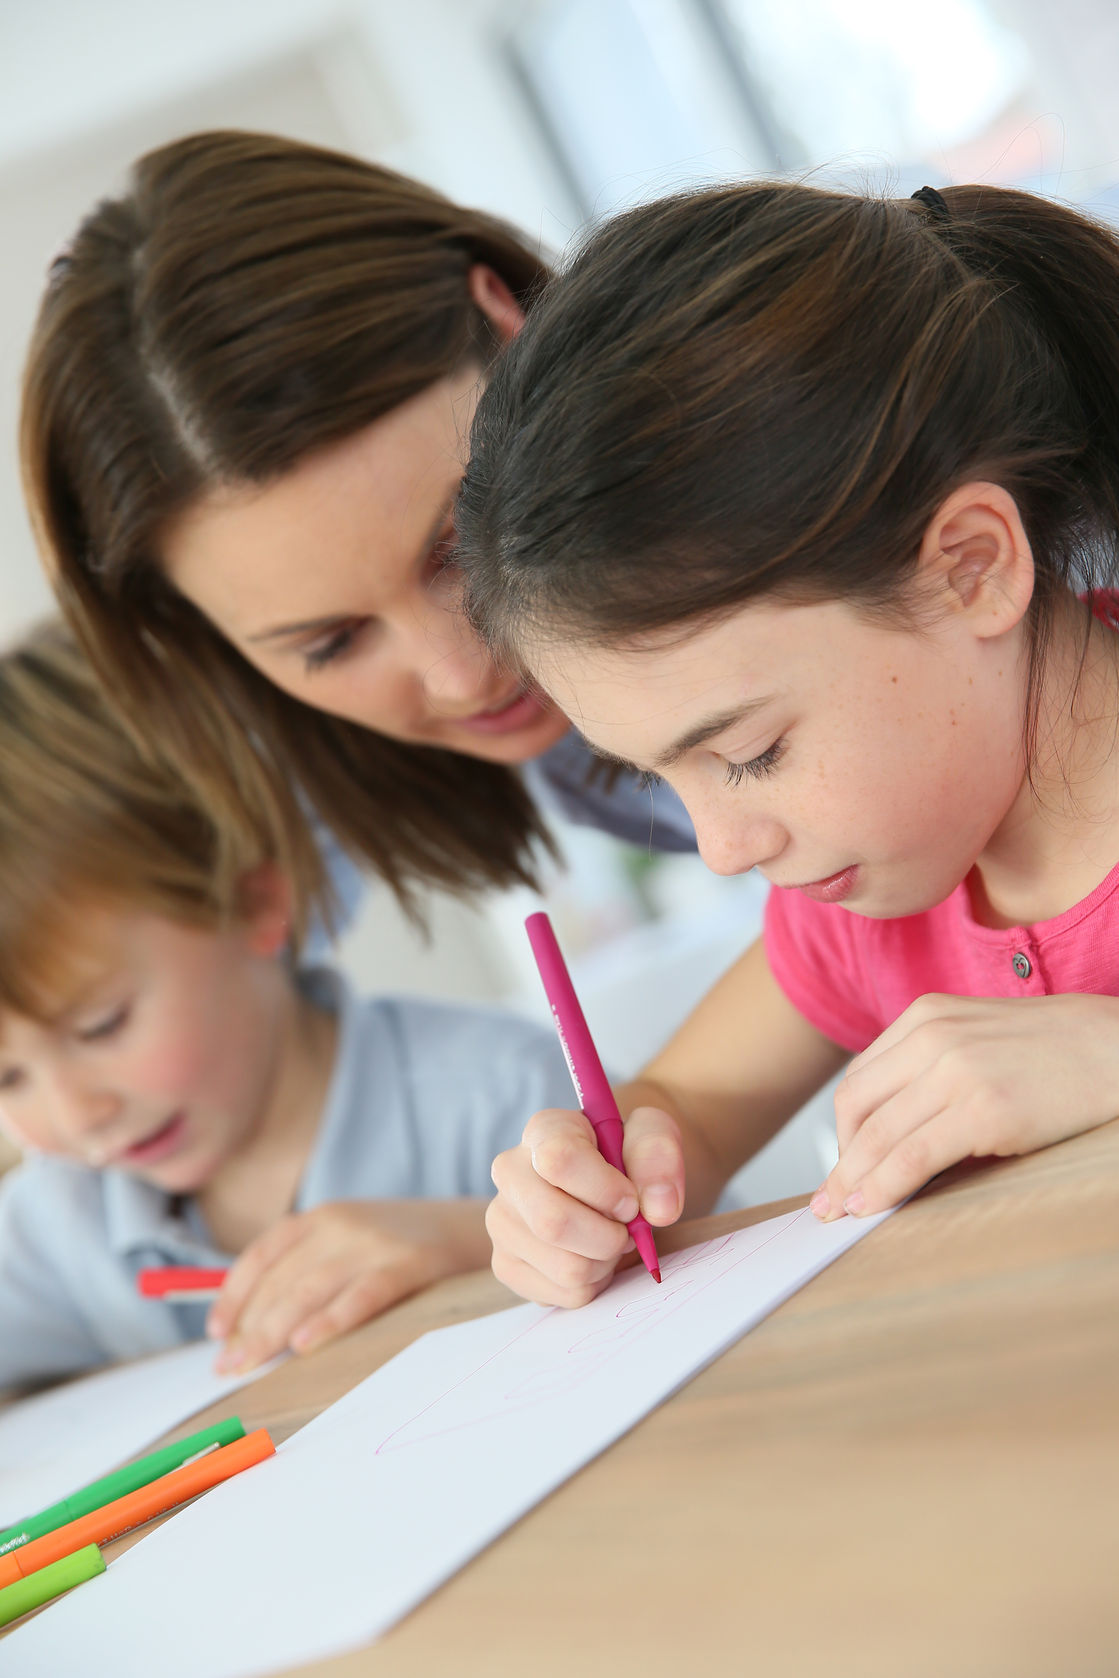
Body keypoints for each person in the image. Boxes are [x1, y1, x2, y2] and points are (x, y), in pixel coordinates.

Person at [454, 179, 1119, 1306]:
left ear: (972, 567)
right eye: (654, 773)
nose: (719, 846)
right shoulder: (864, 902)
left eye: (750, 753)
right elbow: (692, 1108)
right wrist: (596, 1179)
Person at [20, 128, 693, 939]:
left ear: (508, 321)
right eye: (332, 644)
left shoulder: (814, 500)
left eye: (462, 545)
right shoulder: (306, 739)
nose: (463, 676)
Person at [0, 622, 574, 1389]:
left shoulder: (508, 1098)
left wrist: (480, 1242)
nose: (76, 1114)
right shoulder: (64, 1217)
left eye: (101, 1025)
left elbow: (704, 1266)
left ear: (256, 902)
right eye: (6, 1080)